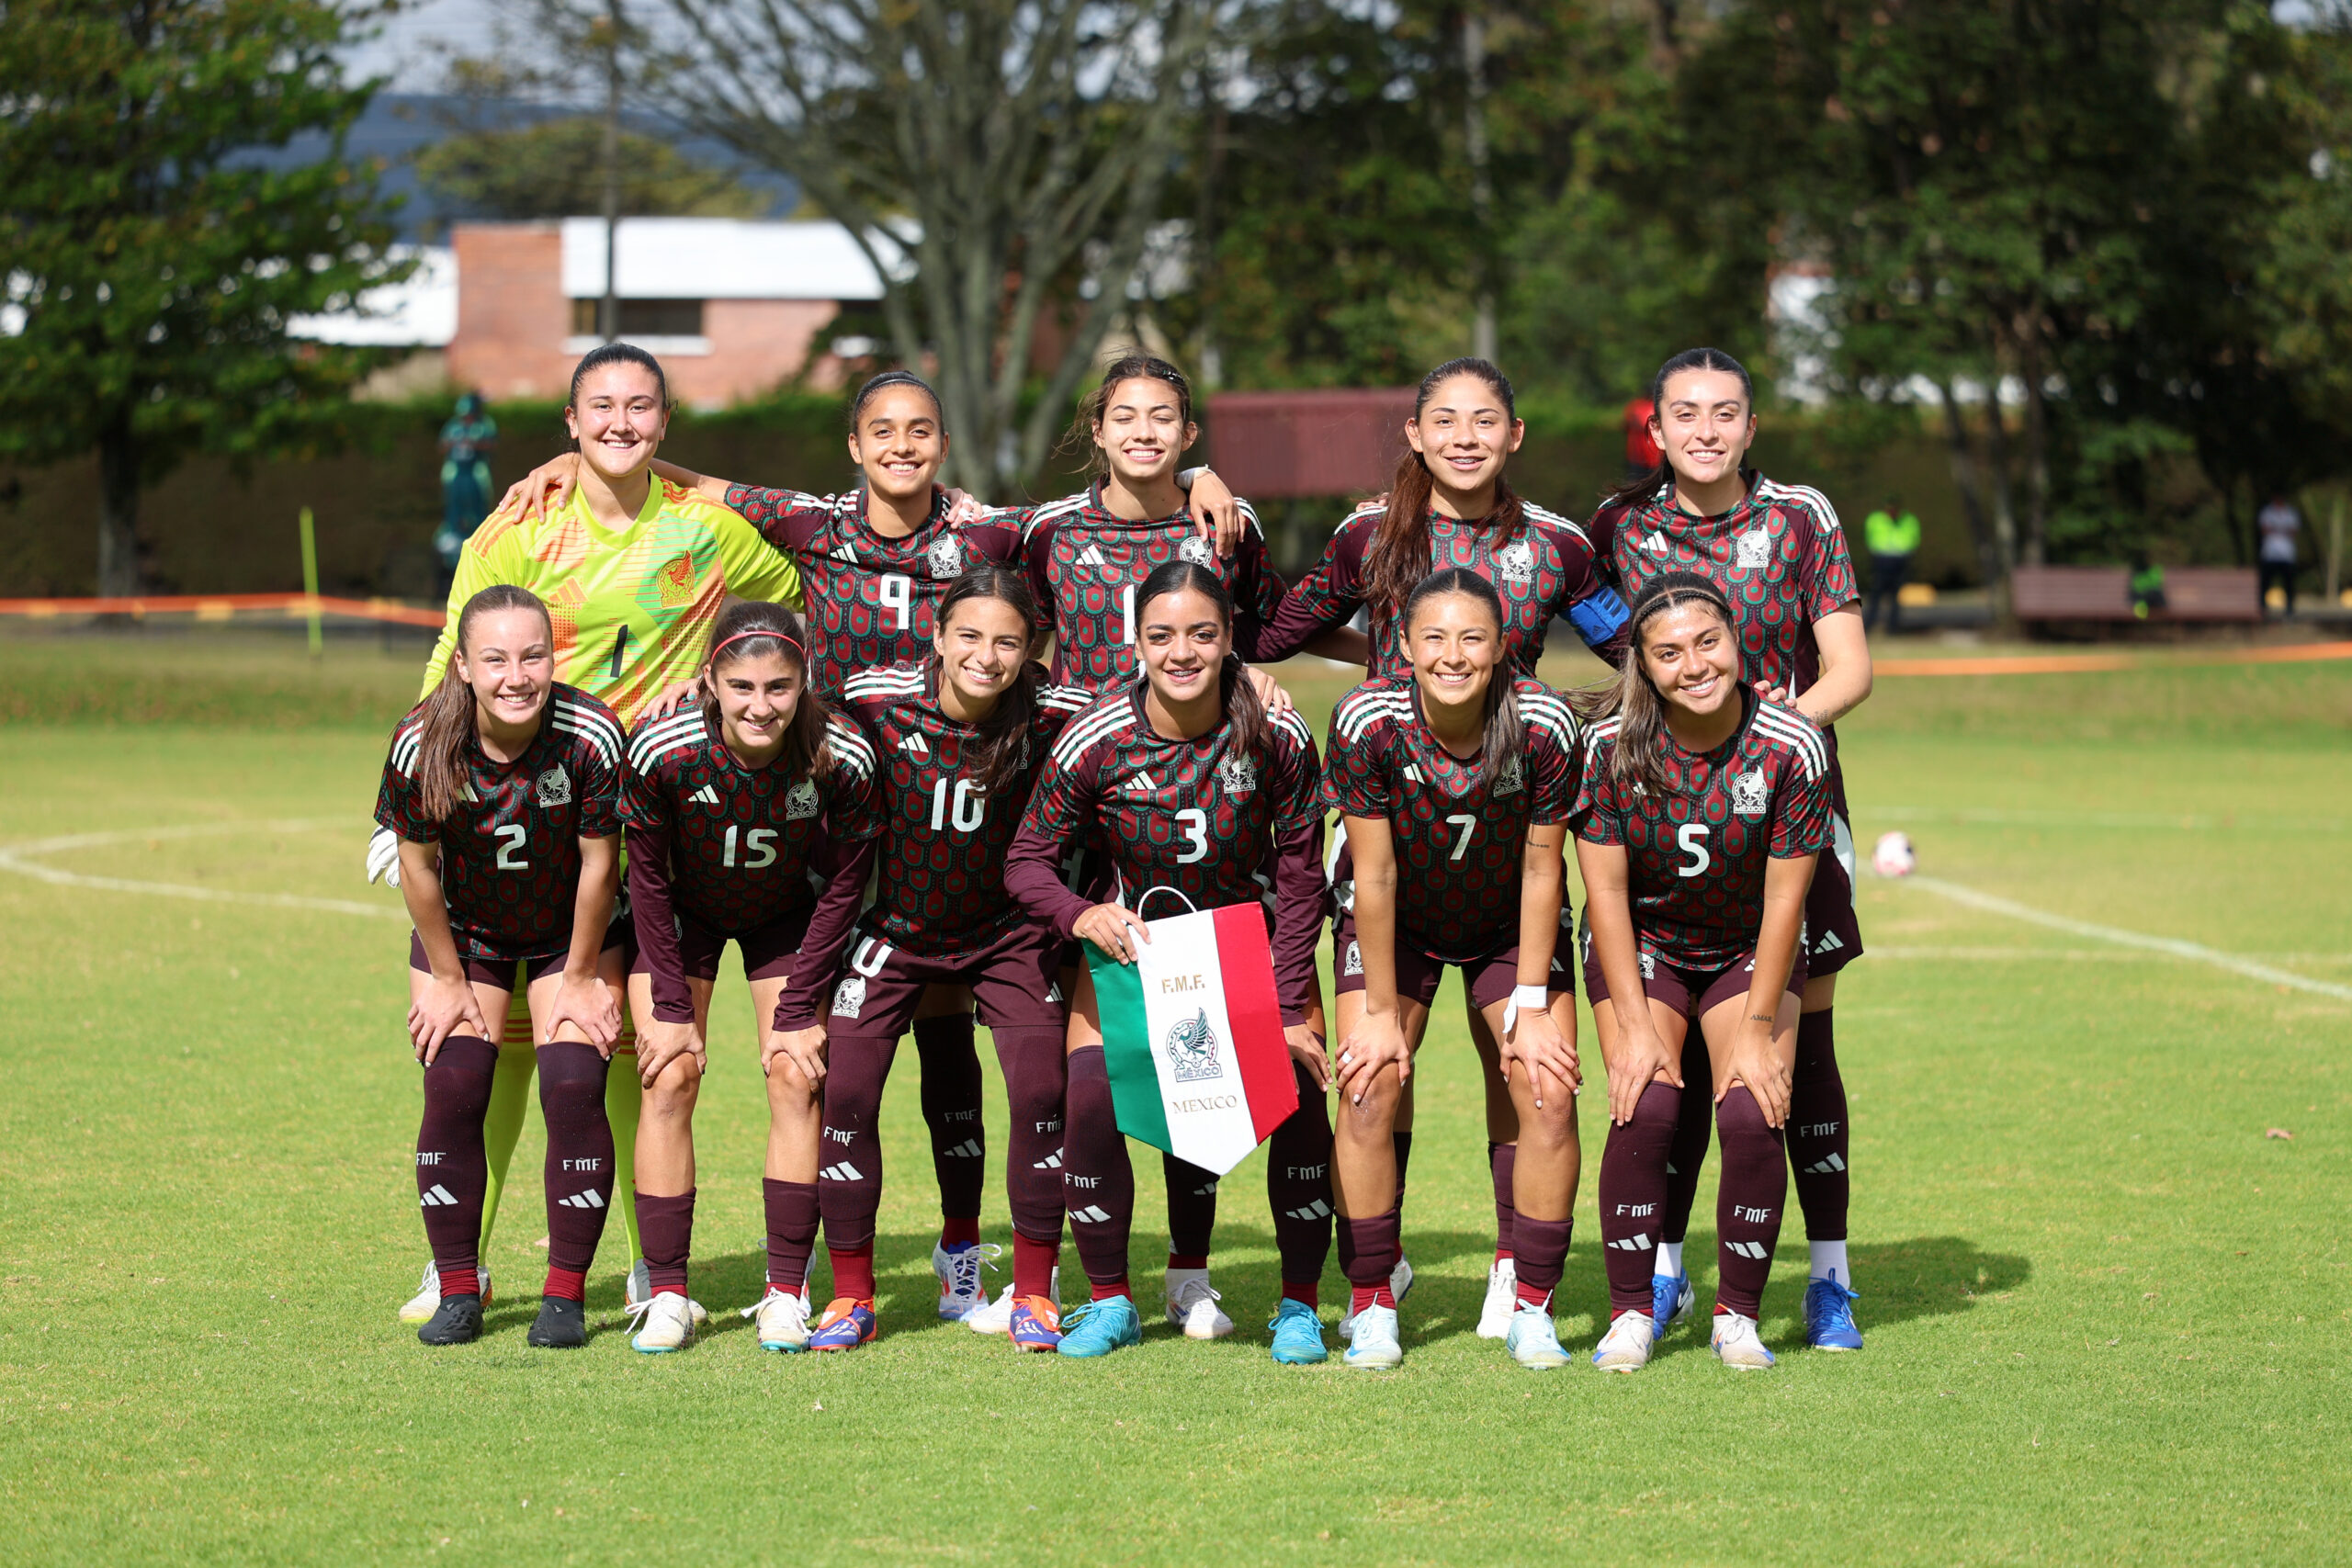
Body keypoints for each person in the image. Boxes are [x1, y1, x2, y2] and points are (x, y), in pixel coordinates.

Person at [496, 367, 1238, 1320]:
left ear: (943, 445)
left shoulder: (987, 535)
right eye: (881, 430)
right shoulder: (814, 522)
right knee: (840, 1069)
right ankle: (821, 1273)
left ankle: (987, 1255)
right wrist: (580, 460)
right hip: (843, 832)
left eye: (920, 430)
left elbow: (1112, 506)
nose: (900, 446)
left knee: (981, 1051)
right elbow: (701, 484)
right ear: (853, 445)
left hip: (975, 834)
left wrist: (1200, 479)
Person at [368, 343, 803, 1329]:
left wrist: (716, 674)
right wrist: (408, 797)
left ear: (665, 420)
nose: (619, 423)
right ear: (569, 422)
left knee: (615, 1044)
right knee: (495, 1051)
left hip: (648, 825)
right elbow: (452, 653)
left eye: (640, 407)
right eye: (599, 408)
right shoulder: (519, 525)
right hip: (514, 814)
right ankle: (460, 1263)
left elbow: (816, 568)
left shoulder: (708, 528)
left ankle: (649, 1264)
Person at [1255, 355, 1630, 1338]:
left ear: (1515, 435)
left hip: (1509, 841)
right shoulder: (1367, 534)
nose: (1466, 437)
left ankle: (1516, 1270)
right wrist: (1352, 655)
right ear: (1415, 435)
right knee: (1374, 1073)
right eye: (1445, 421)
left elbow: (1641, 650)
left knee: (1532, 1074)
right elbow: (1279, 629)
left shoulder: (1558, 545)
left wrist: (1583, 707)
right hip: (1395, 831)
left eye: (1485, 420)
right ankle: (1377, 1275)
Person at [990, 352, 1351, 1340]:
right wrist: (1083, 915)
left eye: (1202, 634)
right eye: (1161, 636)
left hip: (1242, 924)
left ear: (1225, 634)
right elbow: (1027, 861)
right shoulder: (1051, 548)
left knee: (1282, 1089)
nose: (1182, 649)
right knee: (1089, 1088)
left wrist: (1290, 999)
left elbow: (1299, 870)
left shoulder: (1270, 721)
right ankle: (1102, 1295)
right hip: (1120, 892)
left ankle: (1290, 1302)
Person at [1587, 346, 1871, 1353]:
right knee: (1667, 1063)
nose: (1705, 430)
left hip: (1784, 805)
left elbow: (1849, 668)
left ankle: (1828, 1277)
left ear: (1752, 426)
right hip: (1660, 810)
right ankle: (1662, 1271)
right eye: (1685, 414)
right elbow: (1519, 602)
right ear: (1655, 430)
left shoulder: (1800, 516)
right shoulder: (1616, 525)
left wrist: (1768, 738)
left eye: (1725, 413)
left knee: (1798, 1051)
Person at [791, 569, 1093, 1352]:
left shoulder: (1056, 712)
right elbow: (780, 703)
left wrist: (1249, 680)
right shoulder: (875, 699)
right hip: (895, 932)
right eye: (969, 635)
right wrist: (696, 690)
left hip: (1006, 933)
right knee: (846, 1093)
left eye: (1007, 642)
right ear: (937, 634)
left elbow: (1150, 707)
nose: (986, 656)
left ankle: (1034, 1290)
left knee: (1042, 1091)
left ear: (1031, 650)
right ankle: (852, 1294)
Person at [1322, 570, 1584, 1371]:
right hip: (1396, 921)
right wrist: (1377, 1011)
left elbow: (1543, 867)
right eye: (1433, 637)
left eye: (1473, 637)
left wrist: (1531, 1004)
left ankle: (1532, 1302)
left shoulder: (1542, 722)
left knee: (1546, 1087)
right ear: (1403, 646)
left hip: (1509, 922)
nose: (1453, 654)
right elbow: (1374, 874)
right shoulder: (1367, 719)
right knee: (1367, 1083)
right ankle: (1372, 1298)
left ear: (1502, 646)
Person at [1575, 571, 1830, 1372]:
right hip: (1644, 942)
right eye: (1669, 652)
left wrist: (1757, 1029)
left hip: (1748, 945)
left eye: (1708, 642)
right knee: (1644, 1099)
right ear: (1644, 666)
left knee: (1754, 1108)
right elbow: (1605, 893)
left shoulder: (1792, 745)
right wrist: (1636, 1024)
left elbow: (1786, 900)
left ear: (1735, 639)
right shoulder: (1610, 746)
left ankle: (1738, 1317)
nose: (1694, 664)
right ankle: (1630, 1312)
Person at [618, 600, 881, 1353]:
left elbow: (845, 884)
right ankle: (667, 1293)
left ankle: (786, 1292)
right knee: (668, 1074)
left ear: (804, 681)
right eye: (741, 686)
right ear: (710, 680)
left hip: (786, 916)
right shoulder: (662, 747)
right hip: (683, 916)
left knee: (797, 1075)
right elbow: (646, 880)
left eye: (778, 687)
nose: (759, 706)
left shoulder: (841, 753)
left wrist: (798, 1009)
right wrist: (671, 1006)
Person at [375, 585, 628, 1348]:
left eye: (532, 656)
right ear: (462, 666)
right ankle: (458, 1288)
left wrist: (580, 976)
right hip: (467, 936)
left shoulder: (591, 735)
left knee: (574, 1084)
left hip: (569, 935)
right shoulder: (422, 741)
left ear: (554, 657)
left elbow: (600, 864)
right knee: (454, 1084)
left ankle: (565, 1296)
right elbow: (417, 866)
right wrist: (449, 979)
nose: (516, 676)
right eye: (495, 659)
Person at [434, 393, 499, 599]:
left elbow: (491, 443)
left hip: (475, 479)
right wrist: (456, 442)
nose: (467, 418)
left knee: (478, 519)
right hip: (457, 480)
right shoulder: (453, 426)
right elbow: (442, 444)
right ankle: (450, 568)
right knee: (454, 518)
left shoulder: (484, 425)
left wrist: (473, 443)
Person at [1862, 497, 1920, 634]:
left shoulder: (1908, 521)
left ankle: (1893, 627)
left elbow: (1914, 538)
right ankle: (1869, 624)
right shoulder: (1876, 519)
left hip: (1900, 560)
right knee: (1875, 594)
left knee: (1896, 596)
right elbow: (1869, 536)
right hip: (1881, 560)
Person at [2258, 494, 2303, 617]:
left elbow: (2294, 531)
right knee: (2266, 582)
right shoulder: (2267, 512)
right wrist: (2283, 529)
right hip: (2270, 553)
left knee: (2289, 583)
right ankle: (2262, 607)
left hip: (2287, 554)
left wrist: (2275, 528)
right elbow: (2264, 529)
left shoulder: (2291, 513)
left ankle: (2289, 608)